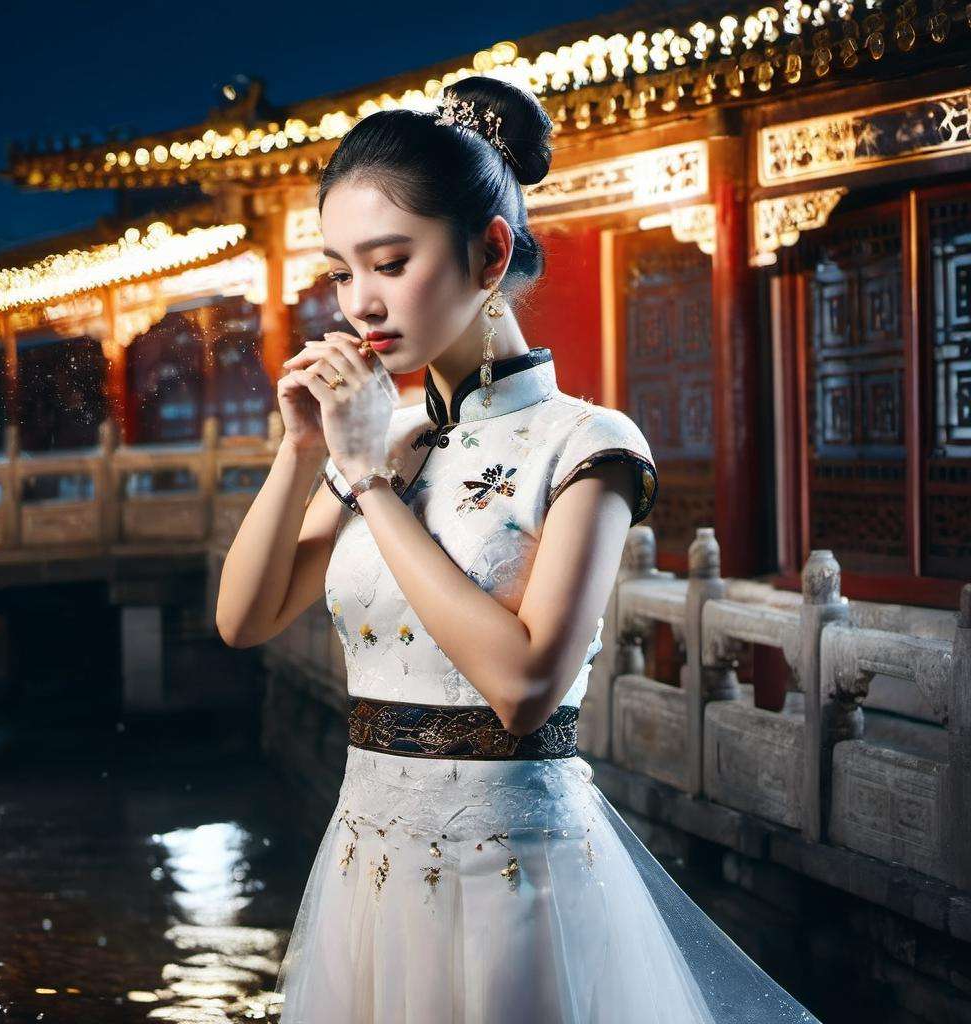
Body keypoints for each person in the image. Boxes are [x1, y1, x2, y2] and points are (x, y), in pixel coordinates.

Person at [216, 76, 822, 1024]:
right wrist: (304, 451)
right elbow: (243, 619)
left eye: (389, 260)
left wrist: (370, 484)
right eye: (341, 271)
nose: (361, 302)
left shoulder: (588, 444)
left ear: (490, 252)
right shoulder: (393, 433)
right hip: (365, 857)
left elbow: (526, 684)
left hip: (513, 875)